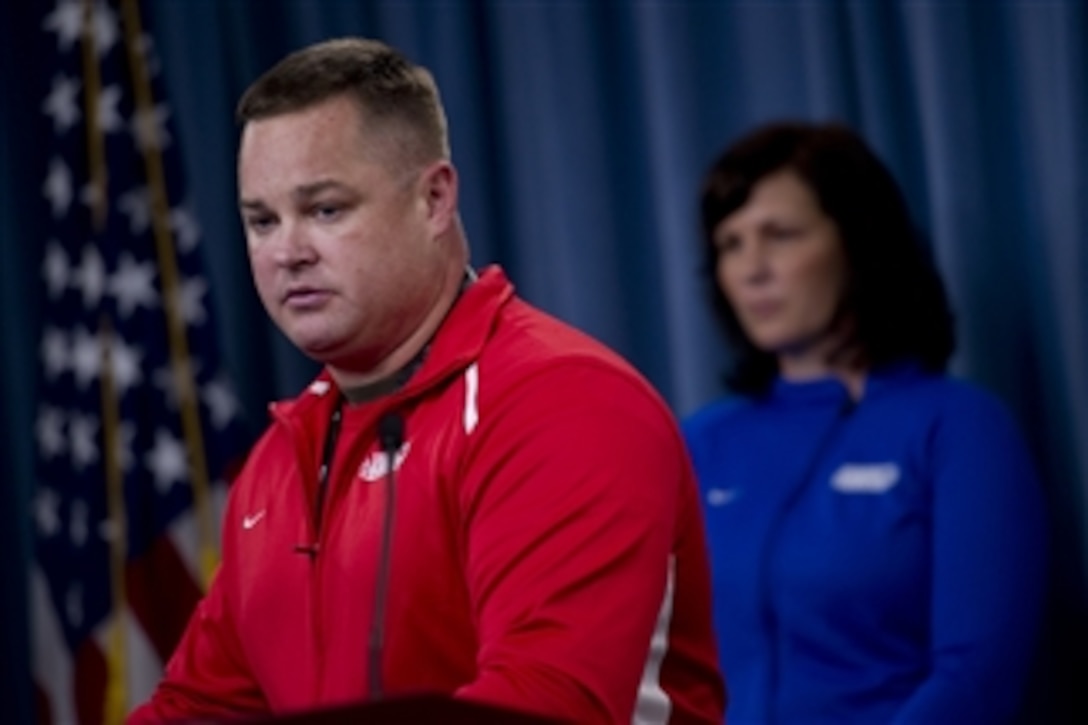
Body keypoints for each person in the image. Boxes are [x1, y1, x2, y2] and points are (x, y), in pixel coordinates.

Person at [127, 37, 725, 724]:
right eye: (262, 221)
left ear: (435, 199)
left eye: (325, 209)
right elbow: (198, 706)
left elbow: (546, 706)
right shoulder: (277, 465)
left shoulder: (564, 404)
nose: (286, 251)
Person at [682, 121, 1048, 724]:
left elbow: (976, 680)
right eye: (731, 244)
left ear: (857, 242)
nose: (753, 268)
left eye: (780, 235)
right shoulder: (701, 443)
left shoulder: (957, 427)